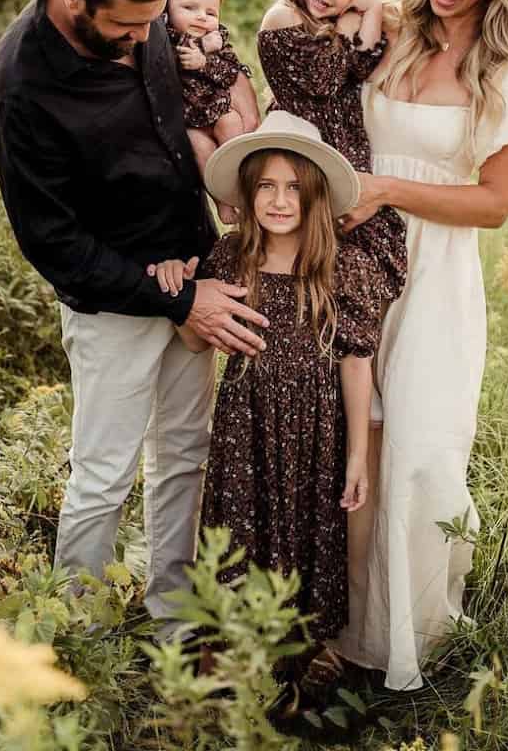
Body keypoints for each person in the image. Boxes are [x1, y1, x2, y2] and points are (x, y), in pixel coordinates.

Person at [0, 0, 267, 627]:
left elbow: (216, 88)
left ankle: (172, 615)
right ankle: (77, 633)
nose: (146, 40)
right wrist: (171, 300)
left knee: (184, 456)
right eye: (128, 29)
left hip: (195, 270)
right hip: (114, 302)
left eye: (154, 22)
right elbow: (51, 242)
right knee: (103, 475)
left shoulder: (147, 9)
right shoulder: (21, 88)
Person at [333, 0, 508, 692]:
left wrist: (389, 191)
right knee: (348, 438)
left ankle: (409, 641)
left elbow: (496, 205)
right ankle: (337, 633)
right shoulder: (391, 30)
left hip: (436, 271)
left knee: (419, 446)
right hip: (353, 258)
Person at [196, 112, 391, 650]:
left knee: (310, 535)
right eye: (266, 187)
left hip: (316, 426)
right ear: (249, 193)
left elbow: (356, 361)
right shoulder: (231, 258)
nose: (279, 201)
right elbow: (195, 340)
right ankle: (233, 653)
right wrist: (179, 295)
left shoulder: (342, 266)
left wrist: (356, 455)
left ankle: (307, 657)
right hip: (246, 420)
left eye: (293, 188)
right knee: (241, 528)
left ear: (315, 198)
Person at [257, 0, 407, 309]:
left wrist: (371, 9)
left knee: (358, 284)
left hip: (347, 162)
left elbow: (364, 64)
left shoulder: (325, 25)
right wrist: (346, 24)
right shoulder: (282, 18)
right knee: (316, 282)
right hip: (310, 165)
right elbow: (324, 79)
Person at [166, 0, 250, 179]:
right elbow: (168, 63)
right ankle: (224, 202)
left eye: (210, 13)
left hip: (218, 107)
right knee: (200, 149)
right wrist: (201, 48)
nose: (202, 17)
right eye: (189, 8)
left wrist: (205, 62)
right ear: (167, 10)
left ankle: (242, 178)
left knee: (231, 124)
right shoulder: (165, 40)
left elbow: (231, 71)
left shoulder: (218, 41)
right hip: (188, 119)